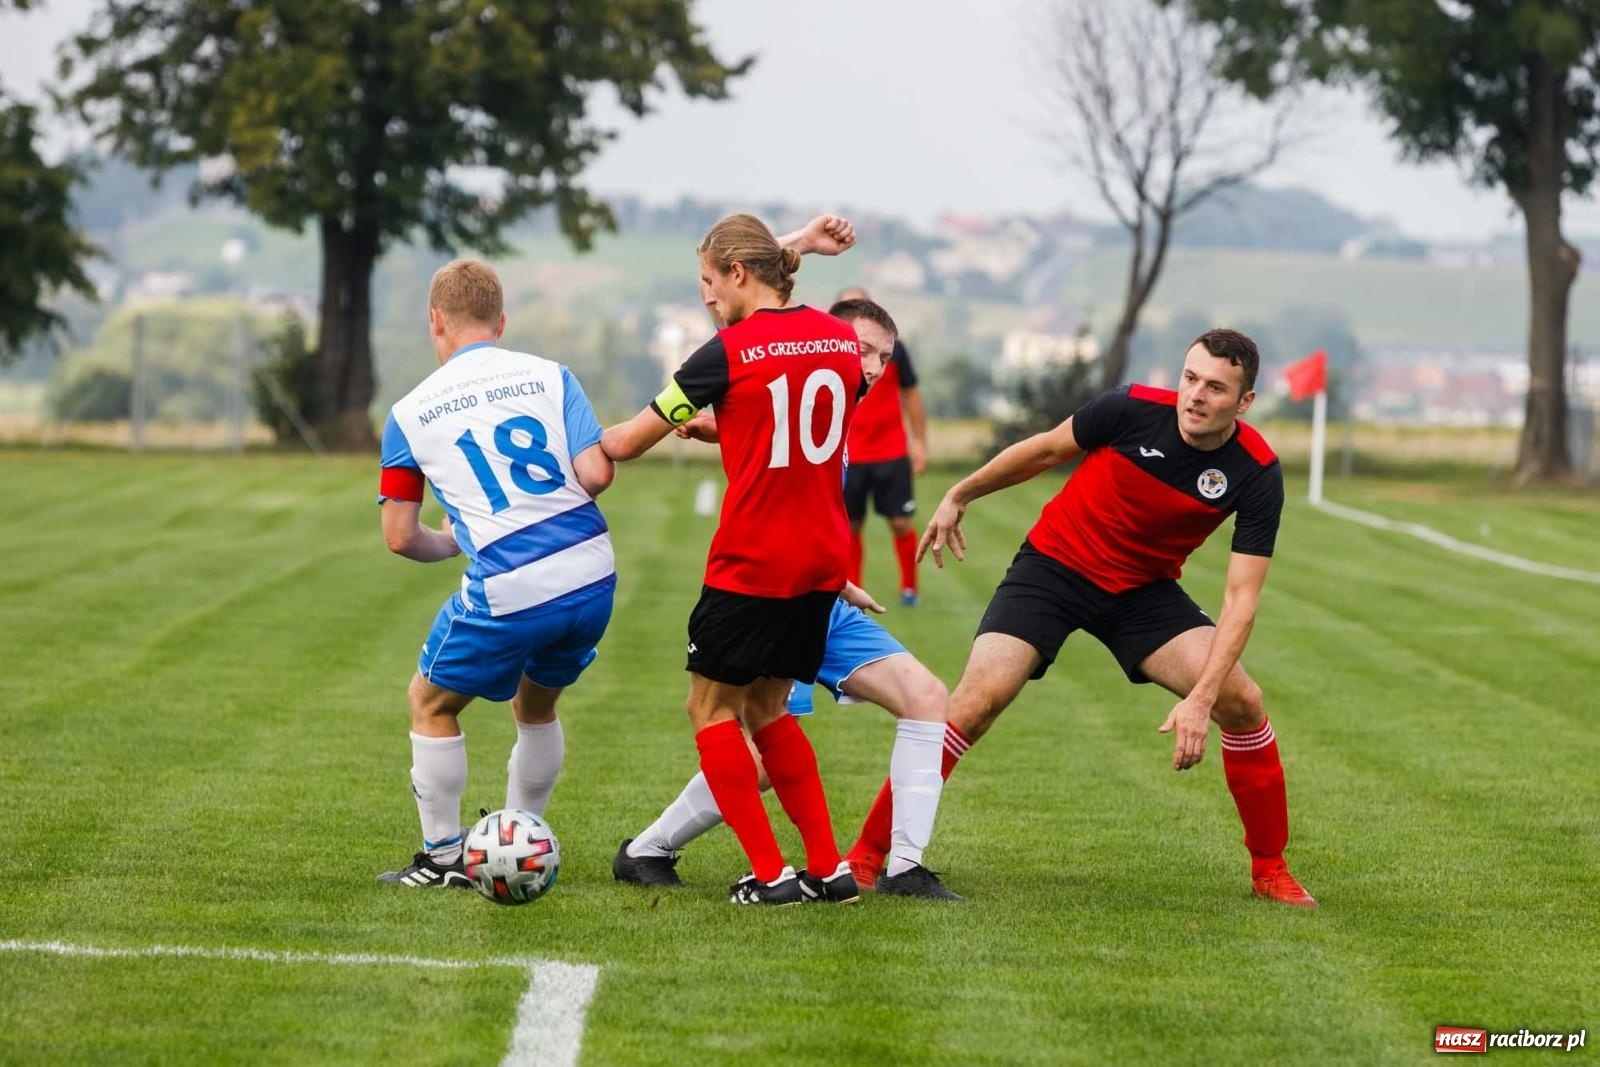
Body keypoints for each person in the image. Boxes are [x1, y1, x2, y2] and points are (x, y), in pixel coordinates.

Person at [845, 328, 1317, 908]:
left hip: (1142, 592)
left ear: (1244, 402)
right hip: (1054, 568)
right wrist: (960, 494)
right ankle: (866, 857)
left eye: (1216, 388)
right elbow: (1045, 450)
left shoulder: (1256, 470)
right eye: (1190, 378)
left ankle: (1270, 869)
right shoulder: (1129, 408)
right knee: (976, 700)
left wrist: (1201, 698)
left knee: (1242, 701)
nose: (1195, 395)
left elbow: (1241, 599)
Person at [612, 298, 959, 900]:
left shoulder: (837, 408)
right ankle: (653, 848)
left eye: (883, 357)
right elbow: (749, 339)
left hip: (823, 595)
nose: (872, 367)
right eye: (863, 350)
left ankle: (903, 868)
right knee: (762, 748)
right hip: (776, 589)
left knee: (927, 698)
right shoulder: (806, 370)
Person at [601, 213, 866, 906]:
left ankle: (771, 877)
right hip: (822, 556)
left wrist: (575, 437)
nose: (707, 296)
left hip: (756, 557)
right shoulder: (841, 340)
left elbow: (627, 443)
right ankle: (828, 868)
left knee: (710, 707)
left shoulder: (723, 354)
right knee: (770, 707)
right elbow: (799, 424)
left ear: (739, 273)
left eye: (709, 281)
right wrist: (727, 426)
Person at [375, 259, 616, 889]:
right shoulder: (552, 375)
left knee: (430, 702)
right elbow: (596, 474)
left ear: (435, 321)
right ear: (501, 322)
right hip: (592, 572)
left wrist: (455, 541)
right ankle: (521, 845)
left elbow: (400, 536)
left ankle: (441, 858)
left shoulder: (409, 413)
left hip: (512, 582)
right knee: (535, 705)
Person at [836, 286, 928, 607]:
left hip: (891, 450)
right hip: (849, 453)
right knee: (850, 525)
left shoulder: (894, 350)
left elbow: (911, 394)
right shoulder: (832, 349)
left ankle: (909, 589)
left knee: (900, 522)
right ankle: (853, 591)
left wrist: (920, 442)